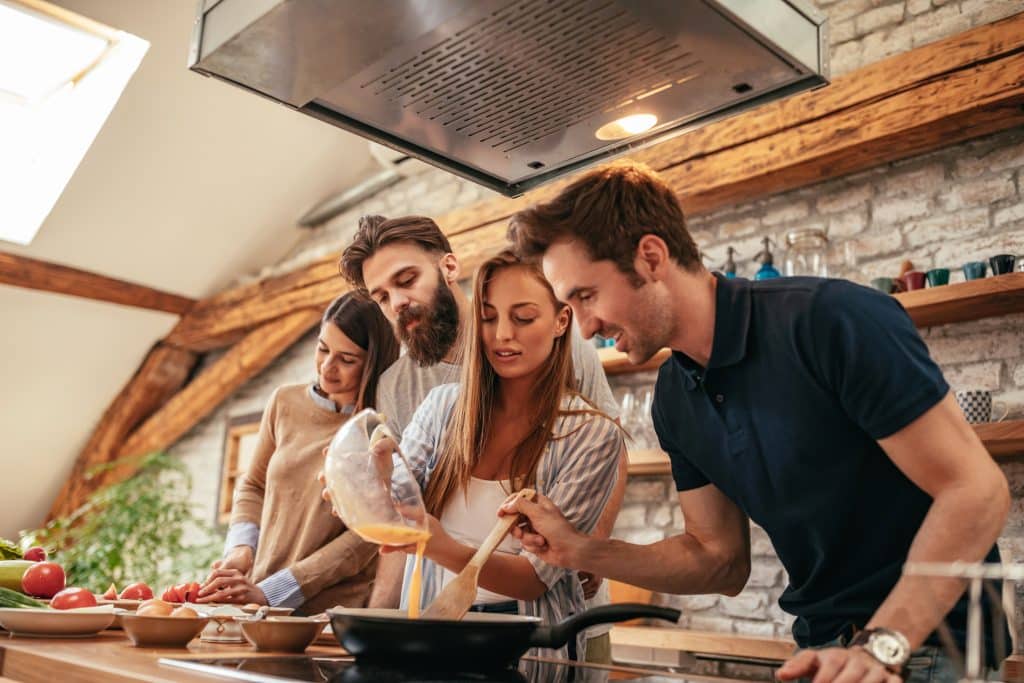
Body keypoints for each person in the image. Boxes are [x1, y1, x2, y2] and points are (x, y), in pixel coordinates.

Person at [500, 161, 1010, 683]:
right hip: (822, 649)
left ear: (650, 257)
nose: (585, 328)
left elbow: (976, 490)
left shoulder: (829, 321)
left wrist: (879, 647)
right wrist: (581, 550)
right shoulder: (675, 396)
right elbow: (717, 559)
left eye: (586, 296)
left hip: (928, 643)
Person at [339, 215, 628, 660]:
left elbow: (608, 449)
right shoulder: (400, 385)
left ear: (449, 267)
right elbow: (405, 505)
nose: (397, 302)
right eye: (381, 296)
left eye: (406, 279)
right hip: (447, 618)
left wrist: (589, 549)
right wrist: (381, 622)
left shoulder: (558, 346)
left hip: (557, 617)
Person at [198, 292, 399, 614]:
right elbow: (254, 486)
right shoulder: (284, 402)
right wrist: (240, 549)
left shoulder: (382, 428)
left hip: (332, 613)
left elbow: (365, 537)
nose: (327, 368)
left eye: (347, 360)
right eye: (322, 349)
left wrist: (274, 592)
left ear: (374, 363)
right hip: (258, 599)